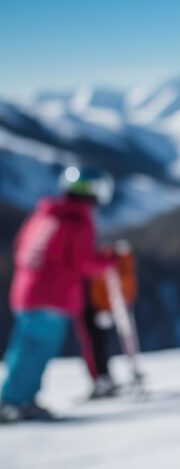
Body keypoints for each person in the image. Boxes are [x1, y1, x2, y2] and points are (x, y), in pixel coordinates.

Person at [1, 167, 115, 422]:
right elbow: (83, 262)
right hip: (53, 296)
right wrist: (109, 263)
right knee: (37, 349)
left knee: (24, 347)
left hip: (25, 293)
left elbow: (21, 249)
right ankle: (15, 403)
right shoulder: (78, 221)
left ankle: (16, 398)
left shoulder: (44, 214)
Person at [79, 239, 137, 398]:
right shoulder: (118, 260)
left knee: (94, 342)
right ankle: (103, 378)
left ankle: (102, 379)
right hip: (98, 304)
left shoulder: (111, 260)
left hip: (93, 304)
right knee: (97, 342)